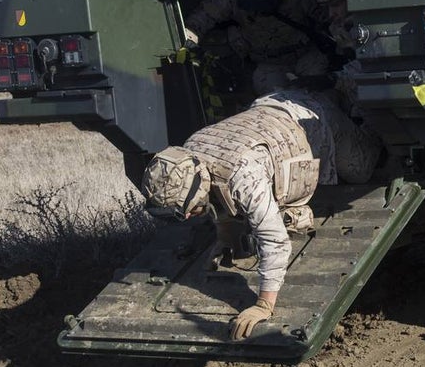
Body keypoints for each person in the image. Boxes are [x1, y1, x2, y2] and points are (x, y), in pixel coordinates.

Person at [141, 90, 378, 340]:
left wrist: (264, 305)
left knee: (362, 168)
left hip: (313, 116)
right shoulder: (190, 154)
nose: (187, 218)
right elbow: (216, 193)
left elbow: (275, 240)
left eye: (186, 211)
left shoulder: (244, 176)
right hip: (269, 107)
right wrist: (225, 235)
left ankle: (362, 109)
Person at [184, 0, 331, 95]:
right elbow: (204, 16)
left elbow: (330, 16)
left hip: (306, 57)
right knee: (273, 101)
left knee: (317, 95)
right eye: (251, 3)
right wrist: (189, 38)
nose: (257, 9)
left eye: (263, 2)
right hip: (269, 63)